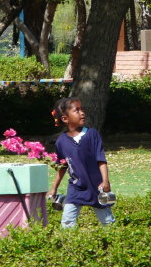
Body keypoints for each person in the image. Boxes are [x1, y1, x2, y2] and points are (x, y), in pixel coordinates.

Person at [48, 97, 115, 228]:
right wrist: (54, 188)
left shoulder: (92, 134)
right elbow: (62, 166)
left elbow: (101, 159)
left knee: (107, 222)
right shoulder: (61, 142)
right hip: (75, 187)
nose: (82, 113)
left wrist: (105, 181)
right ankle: (68, 245)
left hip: (96, 187)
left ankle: (113, 244)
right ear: (65, 119)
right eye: (77, 110)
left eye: (82, 109)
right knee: (67, 221)